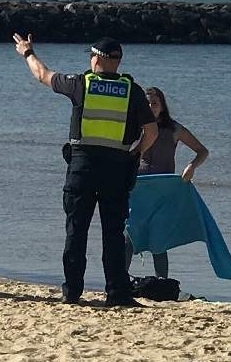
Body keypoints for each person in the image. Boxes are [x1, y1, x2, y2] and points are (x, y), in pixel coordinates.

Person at [12, 33, 158, 307]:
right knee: (112, 234)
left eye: (92, 56)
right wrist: (135, 152)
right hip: (116, 168)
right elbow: (151, 132)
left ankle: (72, 292)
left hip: (82, 167)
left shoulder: (82, 84)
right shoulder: (133, 91)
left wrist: (27, 53)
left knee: (76, 231)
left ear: (97, 59)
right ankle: (117, 294)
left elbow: (42, 75)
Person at [125, 86, 209, 278]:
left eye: (154, 103)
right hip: (138, 188)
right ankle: (120, 281)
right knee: (129, 235)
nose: (150, 106)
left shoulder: (174, 129)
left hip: (164, 192)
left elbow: (202, 151)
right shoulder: (135, 127)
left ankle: (162, 283)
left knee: (158, 239)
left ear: (162, 106)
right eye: (147, 103)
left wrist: (191, 166)